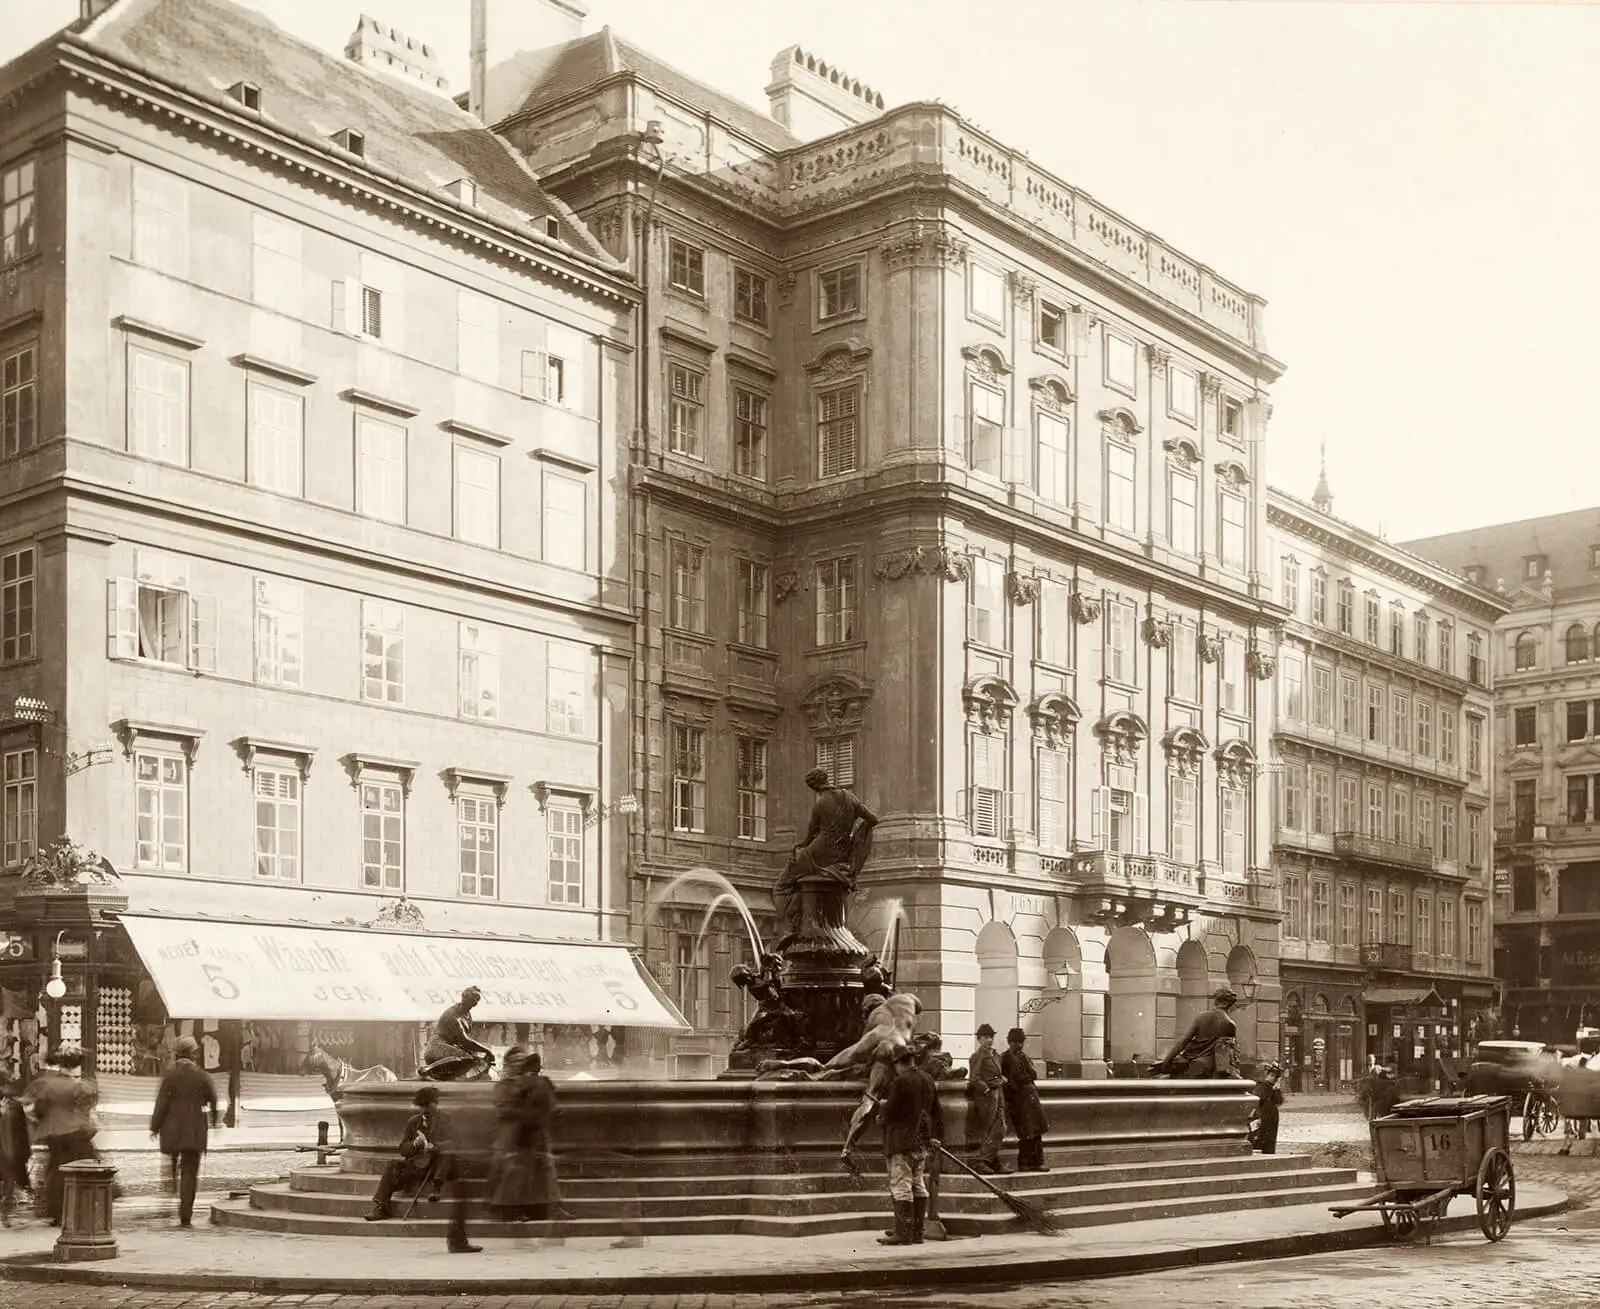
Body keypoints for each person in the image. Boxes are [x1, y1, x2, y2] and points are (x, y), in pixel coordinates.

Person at [773, 768, 881, 949]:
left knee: (782, 884)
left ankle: (793, 926)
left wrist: (800, 846)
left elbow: (810, 835)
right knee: (803, 882)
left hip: (819, 852)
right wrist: (857, 839)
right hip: (842, 854)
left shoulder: (821, 804)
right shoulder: (849, 797)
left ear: (814, 786)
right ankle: (804, 919)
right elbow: (873, 819)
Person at [366, 1085, 478, 1252]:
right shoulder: (413, 1122)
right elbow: (402, 1148)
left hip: (441, 1166)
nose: (424, 1109)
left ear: (435, 1103)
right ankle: (382, 1207)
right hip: (419, 1163)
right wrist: (414, 1145)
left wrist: (436, 1146)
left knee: (446, 1154)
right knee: (392, 1165)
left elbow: (456, 1143)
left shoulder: (447, 1119)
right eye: (421, 1106)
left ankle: (436, 1188)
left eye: (427, 1105)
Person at [149, 1035, 218, 1227]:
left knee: (171, 1166)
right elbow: (212, 1099)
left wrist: (154, 1127)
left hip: (171, 1128)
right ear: (194, 1054)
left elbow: (161, 1103)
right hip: (194, 1129)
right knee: (189, 1172)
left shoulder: (169, 1076)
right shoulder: (201, 1075)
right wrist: (213, 1120)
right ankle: (185, 1213)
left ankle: (169, 1196)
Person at [23, 1047, 98, 1226]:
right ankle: (82, 1208)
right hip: (77, 1132)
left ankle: (57, 1211)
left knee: (56, 1171)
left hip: (54, 1132)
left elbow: (38, 1109)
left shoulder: (47, 1084)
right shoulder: (82, 1086)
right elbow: (86, 1109)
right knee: (83, 1168)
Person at [877, 1044, 941, 1246]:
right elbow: (937, 1111)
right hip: (921, 1142)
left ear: (898, 1063)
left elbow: (891, 1111)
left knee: (901, 1186)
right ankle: (916, 1232)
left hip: (901, 1142)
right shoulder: (928, 1079)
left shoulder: (900, 1081)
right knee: (918, 1185)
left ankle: (903, 1233)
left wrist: (882, 1113)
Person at [1151, 987, 1239, 1078]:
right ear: (1227, 1004)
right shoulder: (1230, 1023)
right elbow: (1228, 1051)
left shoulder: (1201, 1016)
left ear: (1219, 1002)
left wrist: (1167, 1061)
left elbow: (1184, 1040)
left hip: (1189, 1058)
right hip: (1208, 1064)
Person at [1000, 1028, 1049, 1172]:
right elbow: (1010, 1078)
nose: (1019, 1045)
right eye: (1015, 1042)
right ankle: (1025, 1163)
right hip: (1018, 1099)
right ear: (1009, 1042)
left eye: (1020, 1042)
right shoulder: (1005, 1058)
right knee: (1025, 1132)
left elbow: (1033, 1075)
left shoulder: (1024, 1057)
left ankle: (1037, 1162)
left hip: (1030, 1097)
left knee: (1036, 1131)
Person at [419, 987, 495, 1080]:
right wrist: (487, 1050)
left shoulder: (467, 1015)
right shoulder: (452, 1014)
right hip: (437, 1046)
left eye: (474, 1000)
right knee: (467, 1058)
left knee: (473, 1060)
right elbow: (464, 1040)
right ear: (463, 997)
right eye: (466, 997)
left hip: (451, 1047)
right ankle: (427, 1070)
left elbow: (464, 1043)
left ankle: (446, 1076)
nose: (469, 1001)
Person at [965, 1024, 1007, 1174]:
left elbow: (995, 1072)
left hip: (998, 1092)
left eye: (991, 1037)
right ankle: (984, 1161)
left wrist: (1001, 1078)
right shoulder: (977, 1056)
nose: (989, 1040)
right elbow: (974, 1078)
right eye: (986, 1037)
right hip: (987, 1096)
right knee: (990, 1128)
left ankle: (989, 1161)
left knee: (1000, 1128)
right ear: (979, 1039)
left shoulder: (995, 1055)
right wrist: (987, 1089)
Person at [1249, 1061, 1284, 1154]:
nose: (1272, 1078)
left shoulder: (1272, 1087)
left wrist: (1277, 1089)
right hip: (1263, 1117)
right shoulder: (1262, 1086)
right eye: (1271, 1075)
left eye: (1275, 1076)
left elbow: (1279, 1101)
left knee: (1270, 1140)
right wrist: (1257, 1117)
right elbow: (1256, 1102)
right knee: (1260, 1139)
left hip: (1271, 1117)